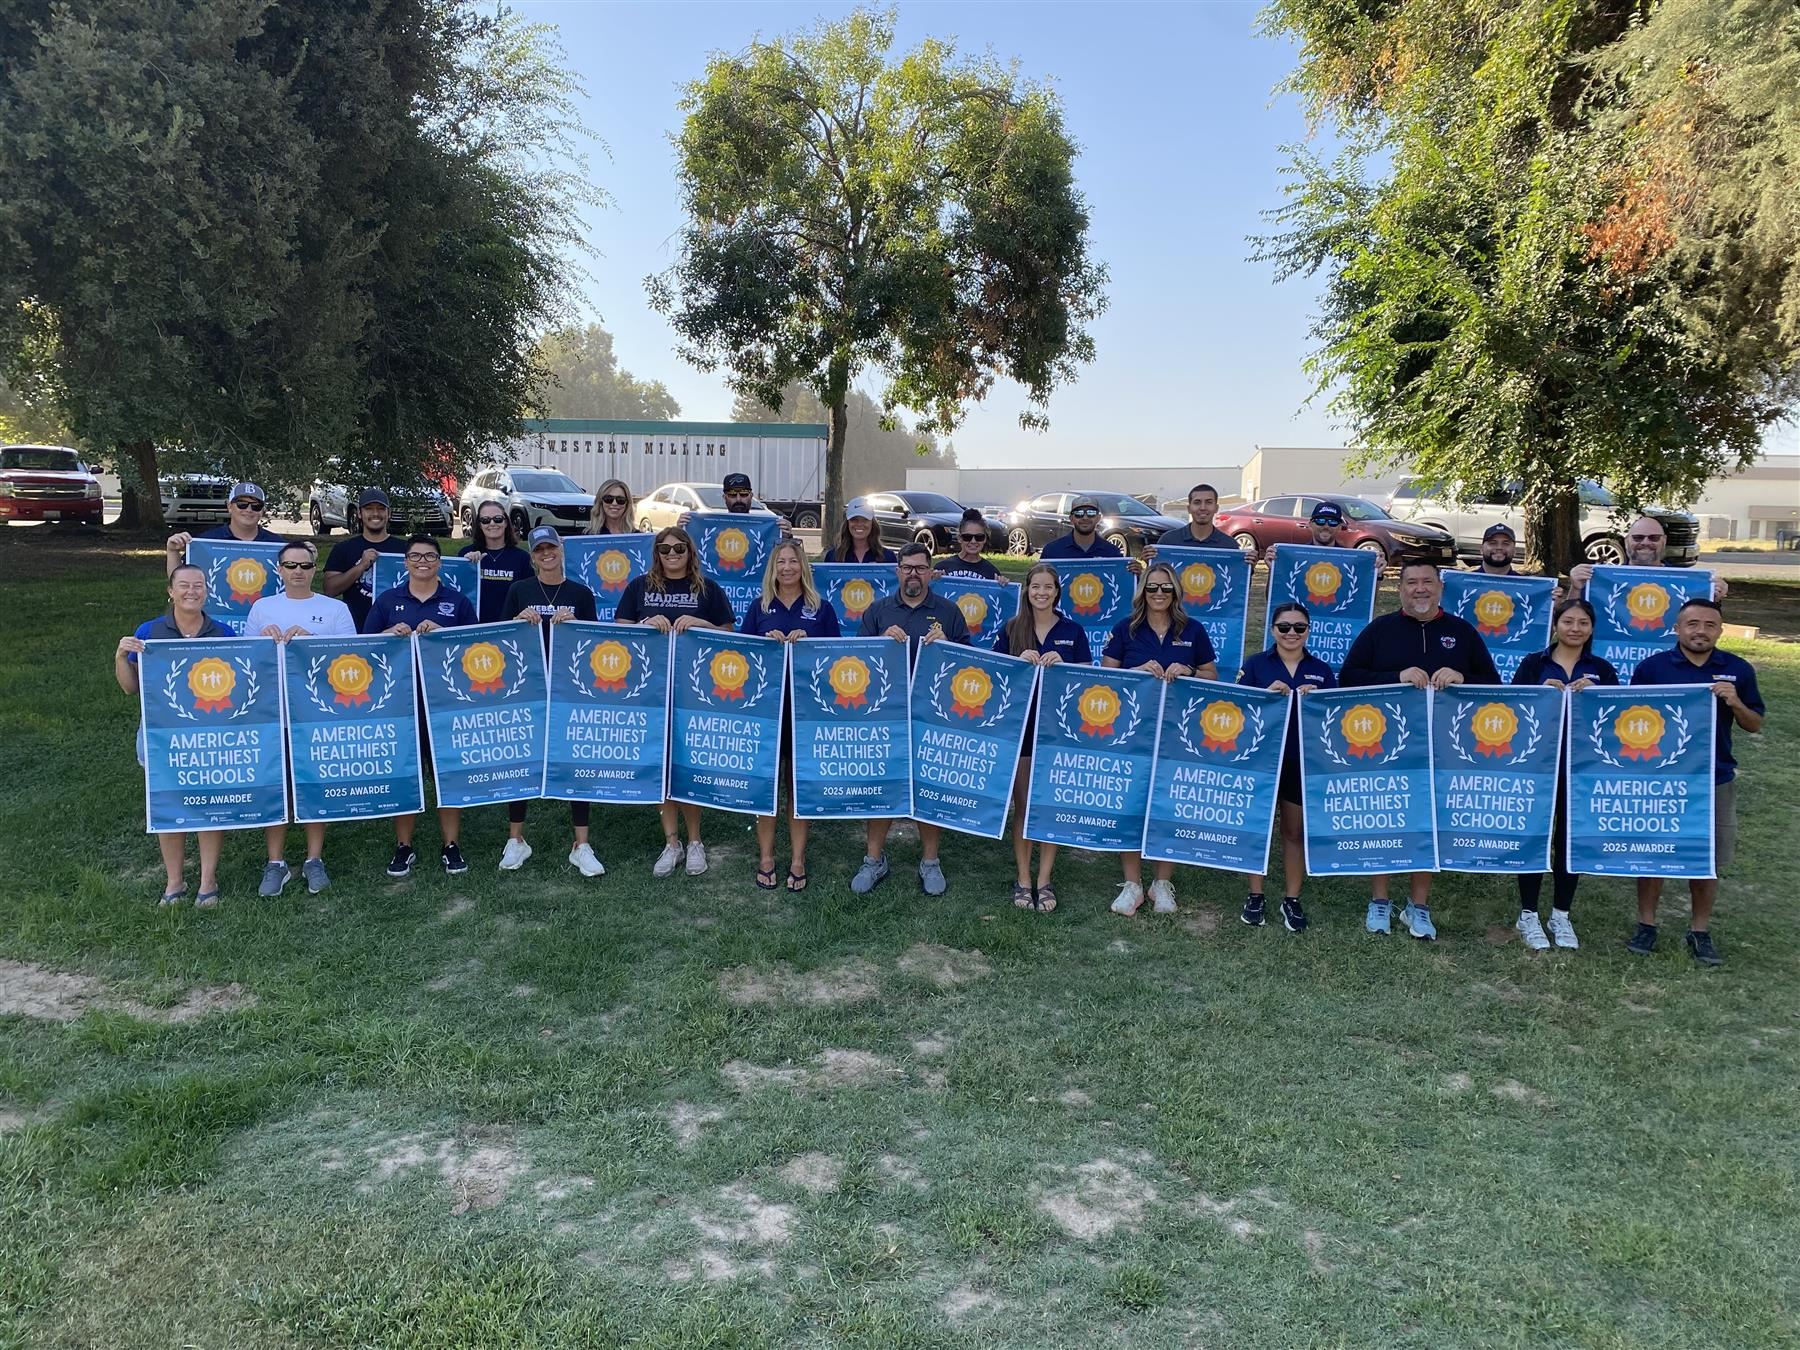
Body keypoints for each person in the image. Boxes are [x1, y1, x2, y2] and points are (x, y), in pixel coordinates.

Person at [1341, 558, 1500, 940]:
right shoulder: (1380, 630)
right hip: (1385, 746)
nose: (1420, 589)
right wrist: (1396, 676)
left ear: (1440, 587)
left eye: (1427, 582)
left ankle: (1419, 906)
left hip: (1444, 748)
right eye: (1411, 582)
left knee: (1426, 824)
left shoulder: (1462, 632)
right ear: (1401, 589)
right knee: (1386, 820)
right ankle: (1380, 901)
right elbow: (1348, 677)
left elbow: (1492, 685)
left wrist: (1463, 677)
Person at [1626, 597, 1764, 966]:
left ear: (1720, 630)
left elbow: (1755, 724)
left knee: (1708, 859)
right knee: (1654, 855)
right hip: (1661, 779)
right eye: (1692, 624)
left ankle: (1700, 931)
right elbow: (1627, 717)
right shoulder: (1652, 668)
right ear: (1677, 628)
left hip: (1714, 779)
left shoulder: (1736, 669)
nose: (1700, 631)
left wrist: (1735, 702)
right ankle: (1646, 924)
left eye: (1709, 625)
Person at [851, 541, 973, 897]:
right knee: (883, 784)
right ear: (897, 570)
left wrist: (950, 644)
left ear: (931, 572)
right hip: (886, 715)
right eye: (907, 567)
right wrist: (881, 642)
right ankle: (874, 859)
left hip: (932, 716)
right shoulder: (878, 610)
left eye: (921, 568)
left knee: (928, 786)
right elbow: (857, 661)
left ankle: (930, 861)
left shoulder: (949, 612)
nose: (914, 574)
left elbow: (968, 668)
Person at [616, 525, 736, 877]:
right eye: (665, 550)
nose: (672, 555)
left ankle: (695, 840)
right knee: (661, 763)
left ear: (690, 552)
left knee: (687, 762)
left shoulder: (707, 588)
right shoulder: (640, 586)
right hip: (649, 689)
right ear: (657, 553)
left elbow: (730, 633)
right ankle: (672, 842)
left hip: (693, 690)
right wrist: (643, 623)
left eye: (678, 549)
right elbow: (619, 630)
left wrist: (700, 622)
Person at [1103, 561, 1219, 917]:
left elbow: (1212, 675)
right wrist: (1135, 672)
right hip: (1133, 731)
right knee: (1132, 803)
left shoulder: (1193, 630)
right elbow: (1105, 675)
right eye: (1152, 587)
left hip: (1176, 734)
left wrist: (1188, 670)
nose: (1158, 594)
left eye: (1165, 588)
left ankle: (1162, 882)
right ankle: (1133, 883)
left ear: (1176, 593)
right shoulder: (1126, 629)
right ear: (1143, 592)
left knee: (1167, 804)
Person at [245, 540, 357, 896]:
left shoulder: (335, 608)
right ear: (279, 569)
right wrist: (261, 642)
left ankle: (313, 859)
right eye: (290, 565)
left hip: (317, 710)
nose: (297, 572)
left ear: (314, 569)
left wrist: (314, 645)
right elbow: (247, 662)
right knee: (278, 784)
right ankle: (275, 862)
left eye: (304, 566)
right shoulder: (262, 608)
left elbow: (353, 659)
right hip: (273, 708)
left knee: (312, 781)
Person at [365, 534, 479, 877]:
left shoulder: (457, 602)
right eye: (416, 557)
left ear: (439, 563)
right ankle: (404, 846)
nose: (423, 562)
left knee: (446, 773)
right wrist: (389, 634)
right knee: (407, 774)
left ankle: (451, 845)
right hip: (402, 701)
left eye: (430, 556)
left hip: (445, 702)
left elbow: (474, 648)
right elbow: (364, 648)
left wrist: (443, 632)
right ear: (406, 562)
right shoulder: (387, 601)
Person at [115, 564, 229, 906]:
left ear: (207, 591)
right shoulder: (150, 632)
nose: (191, 591)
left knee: (208, 808)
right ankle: (174, 883)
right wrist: (121, 655)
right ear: (171, 590)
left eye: (198, 585)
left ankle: (208, 882)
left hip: (209, 738)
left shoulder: (223, 633)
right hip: (161, 737)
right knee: (170, 807)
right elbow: (130, 688)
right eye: (184, 585)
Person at [1509, 598, 1619, 951]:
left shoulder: (1601, 668)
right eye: (1568, 621)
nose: (1575, 628)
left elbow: (1618, 720)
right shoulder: (1533, 664)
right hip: (1540, 767)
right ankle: (1528, 914)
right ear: (1555, 625)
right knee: (1537, 837)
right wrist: (1540, 696)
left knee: (1569, 841)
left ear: (1591, 628)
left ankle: (1561, 914)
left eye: (1583, 622)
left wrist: (1598, 695)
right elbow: (1511, 710)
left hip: (1582, 769)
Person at [498, 528, 603, 877]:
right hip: (528, 687)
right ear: (532, 556)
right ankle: (516, 839)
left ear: (561, 550)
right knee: (522, 758)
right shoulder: (519, 590)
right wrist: (516, 621)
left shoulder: (580, 593)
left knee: (575, 759)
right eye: (539, 549)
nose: (546, 554)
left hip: (570, 689)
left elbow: (598, 644)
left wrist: (577, 624)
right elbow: (500, 641)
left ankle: (581, 844)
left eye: (551, 547)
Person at [742, 539, 840, 891]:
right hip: (768, 711)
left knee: (797, 789)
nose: (787, 568)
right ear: (773, 568)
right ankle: (766, 856)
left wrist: (807, 643)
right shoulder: (759, 608)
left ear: (803, 567)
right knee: (768, 788)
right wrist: (764, 644)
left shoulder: (821, 608)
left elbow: (836, 662)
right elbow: (742, 661)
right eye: (780, 562)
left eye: (793, 561)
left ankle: (798, 860)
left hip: (805, 714)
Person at [994, 563, 1090, 912]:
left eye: (1048, 587)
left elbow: (1087, 681)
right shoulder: (1011, 629)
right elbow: (995, 676)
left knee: (1047, 807)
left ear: (1057, 592)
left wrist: (1063, 664)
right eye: (1035, 586)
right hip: (1022, 729)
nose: (1041, 593)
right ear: (1027, 590)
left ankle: (1044, 879)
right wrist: (1018, 661)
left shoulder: (1073, 631)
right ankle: (1022, 879)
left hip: (1057, 731)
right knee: (1023, 807)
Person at [1237, 601, 1336, 933]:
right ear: (1272, 630)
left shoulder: (1321, 671)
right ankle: (1255, 895)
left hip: (1300, 761)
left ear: (1308, 631)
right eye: (1284, 627)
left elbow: (1335, 721)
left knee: (1293, 832)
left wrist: (1317, 700)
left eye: (1299, 627)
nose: (1291, 633)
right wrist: (1266, 696)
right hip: (1262, 759)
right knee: (1259, 828)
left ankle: (1292, 899)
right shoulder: (1255, 665)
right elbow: (1236, 714)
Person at [1567, 515, 1728, 601]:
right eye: (1638, 537)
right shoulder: (1602, 579)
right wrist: (1575, 588)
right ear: (1626, 541)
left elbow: (1701, 624)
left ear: (1663, 541)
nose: (1645, 543)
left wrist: (1713, 596)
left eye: (1653, 538)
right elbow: (1573, 618)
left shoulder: (1682, 580)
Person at [324, 489, 410, 630]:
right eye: (369, 509)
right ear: (359, 513)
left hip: (398, 626)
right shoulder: (343, 548)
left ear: (389, 513)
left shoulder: (405, 549)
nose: (375, 514)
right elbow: (330, 590)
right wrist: (361, 566)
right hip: (355, 625)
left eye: (381, 509)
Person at [163, 481, 284, 576]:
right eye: (242, 504)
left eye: (256, 506)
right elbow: (179, 581)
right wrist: (173, 551)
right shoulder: (207, 542)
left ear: (263, 510)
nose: (249, 510)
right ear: (229, 506)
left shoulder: (277, 545)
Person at [458, 504, 531, 624]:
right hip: (473, 626)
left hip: (508, 627)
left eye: (497, 519)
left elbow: (528, 595)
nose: (492, 524)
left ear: (506, 522)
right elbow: (457, 592)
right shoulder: (466, 554)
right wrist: (465, 566)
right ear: (480, 525)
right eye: (485, 520)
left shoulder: (521, 557)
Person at [1468, 522, 1563, 599]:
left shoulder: (1527, 587)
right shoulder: (1465, 582)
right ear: (1481, 549)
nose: (1499, 547)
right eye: (1493, 543)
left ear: (1515, 551)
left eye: (1506, 543)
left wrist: (1551, 605)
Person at [1146, 482, 1238, 557]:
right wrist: (1147, 562)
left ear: (1216, 508)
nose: (1203, 507)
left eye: (1209, 502)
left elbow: (1238, 577)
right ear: (1189, 508)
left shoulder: (1229, 546)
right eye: (1197, 502)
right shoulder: (1168, 541)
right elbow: (1156, 575)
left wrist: (1249, 565)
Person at [821, 498, 896, 564]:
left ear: (872, 523)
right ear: (847, 523)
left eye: (865, 520)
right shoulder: (832, 556)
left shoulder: (888, 557)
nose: (859, 524)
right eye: (854, 519)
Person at [933, 508, 1002, 579]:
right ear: (960, 538)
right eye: (967, 537)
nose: (973, 541)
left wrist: (1003, 585)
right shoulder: (942, 568)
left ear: (985, 539)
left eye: (979, 537)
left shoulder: (992, 573)